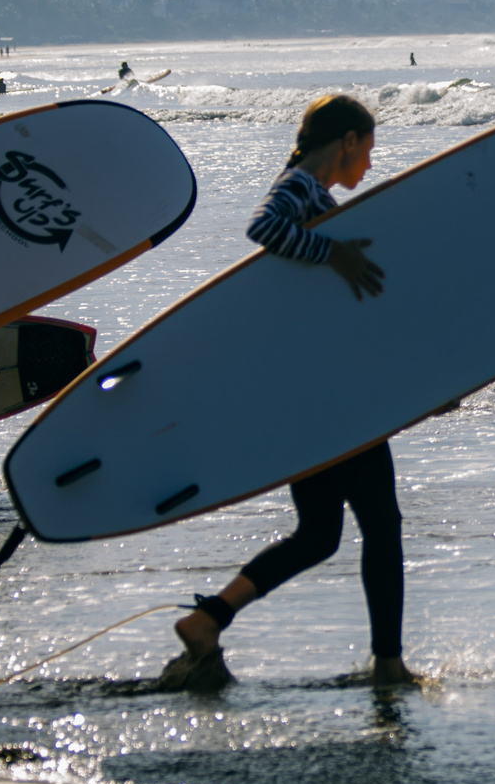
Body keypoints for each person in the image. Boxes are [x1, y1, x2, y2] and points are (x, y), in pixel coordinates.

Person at [156, 93, 406, 692]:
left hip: (307, 396)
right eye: (366, 150)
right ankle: (390, 667)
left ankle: (207, 617)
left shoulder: (317, 198)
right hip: (331, 401)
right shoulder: (300, 188)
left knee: (319, 534)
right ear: (346, 140)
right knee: (383, 528)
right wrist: (333, 252)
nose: (368, 166)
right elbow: (262, 227)